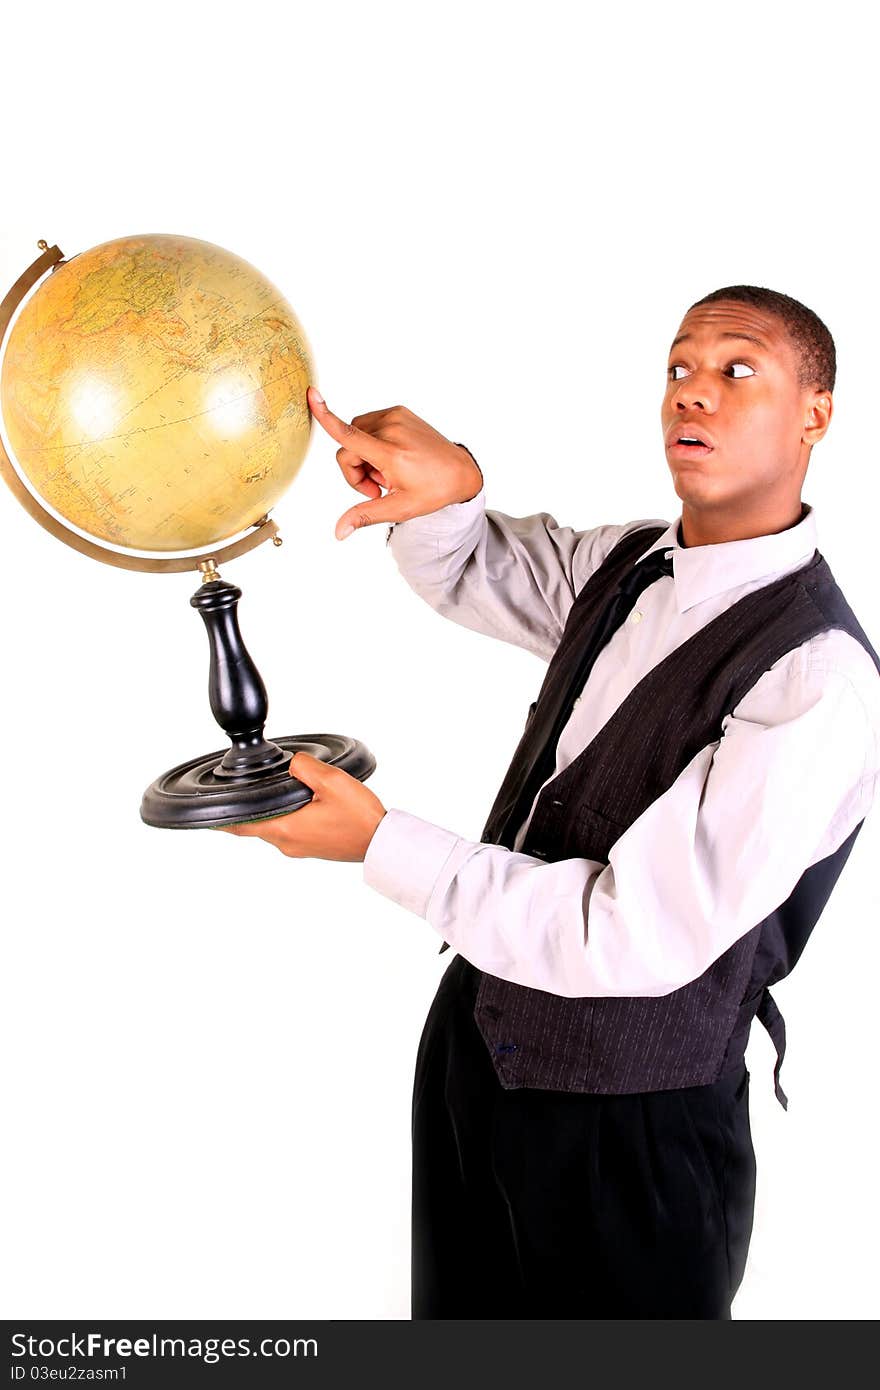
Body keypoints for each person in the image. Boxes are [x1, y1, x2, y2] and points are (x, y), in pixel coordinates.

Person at [219, 285, 880, 1319]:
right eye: (677, 369)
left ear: (816, 412)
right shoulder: (629, 567)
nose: (691, 395)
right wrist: (448, 492)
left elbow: (626, 936)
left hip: (634, 1131)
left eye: (735, 370)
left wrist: (380, 842)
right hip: (476, 1056)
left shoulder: (815, 679)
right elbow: (478, 566)